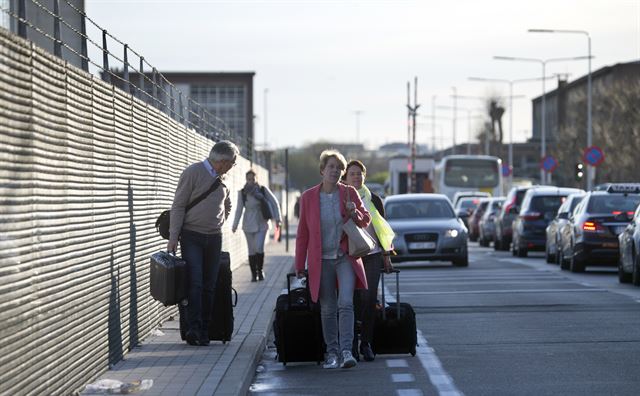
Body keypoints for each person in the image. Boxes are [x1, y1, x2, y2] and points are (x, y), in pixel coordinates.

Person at [295, 149, 371, 369]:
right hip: (321, 261)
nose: (335, 171)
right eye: (331, 167)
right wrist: (300, 264)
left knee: (345, 303)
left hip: (345, 257)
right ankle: (332, 352)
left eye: (339, 168)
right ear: (322, 170)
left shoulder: (348, 193)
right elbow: (303, 234)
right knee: (328, 308)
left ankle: (347, 350)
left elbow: (365, 220)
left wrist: (353, 211)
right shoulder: (309, 197)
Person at [167, 140, 238, 346]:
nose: (233, 167)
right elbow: (178, 205)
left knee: (210, 285)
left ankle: (205, 329)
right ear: (223, 161)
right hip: (192, 237)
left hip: (214, 238)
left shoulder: (222, 178)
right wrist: (173, 237)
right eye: (232, 163)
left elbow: (227, 203)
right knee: (195, 283)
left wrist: (219, 221)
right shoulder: (193, 172)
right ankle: (193, 329)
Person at [342, 160, 395, 362]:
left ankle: (366, 343)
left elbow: (383, 230)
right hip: (349, 255)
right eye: (352, 174)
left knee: (369, 298)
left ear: (364, 176)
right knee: (351, 299)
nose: (356, 177)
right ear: (345, 177)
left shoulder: (374, 200)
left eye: (359, 173)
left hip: (372, 255)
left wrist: (386, 255)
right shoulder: (340, 197)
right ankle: (351, 345)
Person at [231, 169, 282, 282]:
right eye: (249, 179)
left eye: (253, 179)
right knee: (251, 250)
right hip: (248, 223)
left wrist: (278, 219)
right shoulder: (242, 193)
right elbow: (238, 209)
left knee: (259, 247)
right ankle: (254, 274)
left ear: (256, 179)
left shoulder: (262, 190)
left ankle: (260, 270)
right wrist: (235, 225)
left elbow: (274, 202)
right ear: (246, 180)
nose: (251, 181)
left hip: (261, 222)